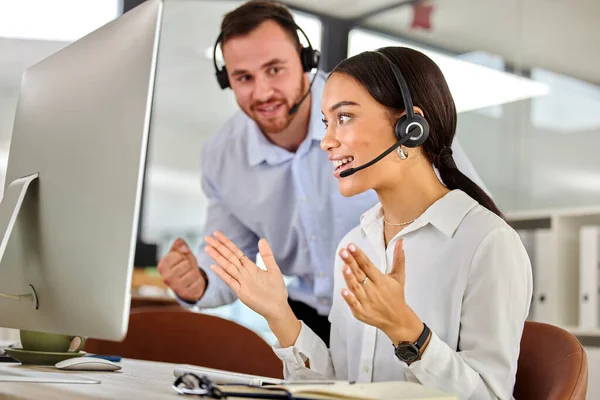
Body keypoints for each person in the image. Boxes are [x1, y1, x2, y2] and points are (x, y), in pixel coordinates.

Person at [205, 46, 533, 399]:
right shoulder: (355, 244)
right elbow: (342, 388)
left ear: (410, 127)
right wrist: (278, 313)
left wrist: (407, 331)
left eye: (344, 117)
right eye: (326, 123)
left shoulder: (488, 243)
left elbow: (491, 395)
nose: (327, 142)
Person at [157, 0, 488, 347]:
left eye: (274, 69)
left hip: (408, 308)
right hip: (308, 318)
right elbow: (228, 261)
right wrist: (198, 282)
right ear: (228, 81)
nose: (263, 92)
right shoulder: (223, 157)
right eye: (244, 77)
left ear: (305, 60)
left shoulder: (374, 112)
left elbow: (466, 214)